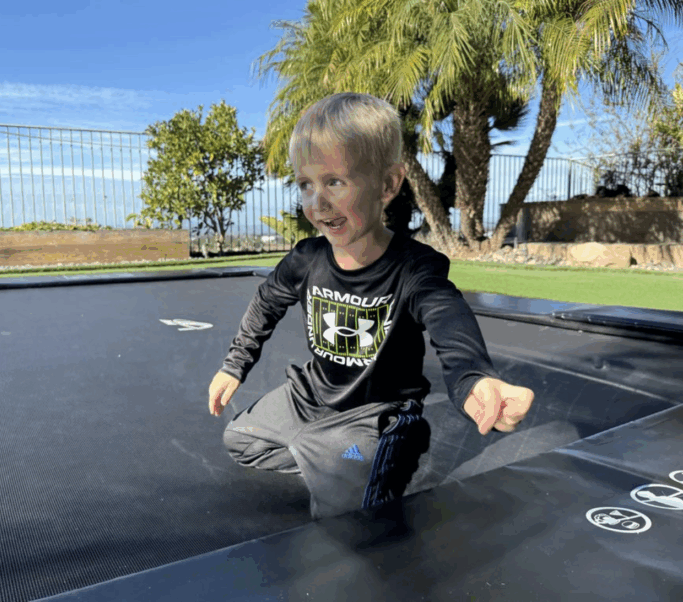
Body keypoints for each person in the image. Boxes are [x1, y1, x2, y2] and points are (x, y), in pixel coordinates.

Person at [208, 92, 535, 520]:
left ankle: (388, 454)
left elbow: (447, 316)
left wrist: (473, 379)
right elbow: (267, 302)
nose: (317, 203)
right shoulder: (306, 259)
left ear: (387, 185)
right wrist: (235, 364)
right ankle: (326, 454)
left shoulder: (413, 269)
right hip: (311, 397)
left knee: (340, 514)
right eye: (305, 185)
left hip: (375, 411)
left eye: (334, 182)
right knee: (241, 440)